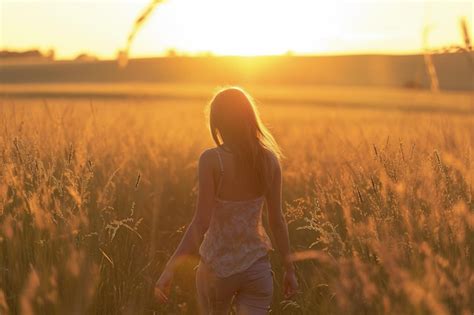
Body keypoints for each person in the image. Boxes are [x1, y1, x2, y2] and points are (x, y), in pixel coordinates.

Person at [154, 87, 299, 314]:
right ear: (250, 118)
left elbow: (200, 223)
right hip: (257, 270)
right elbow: (277, 221)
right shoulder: (270, 160)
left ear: (217, 123)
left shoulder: (212, 160)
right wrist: (289, 270)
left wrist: (169, 269)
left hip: (216, 269)